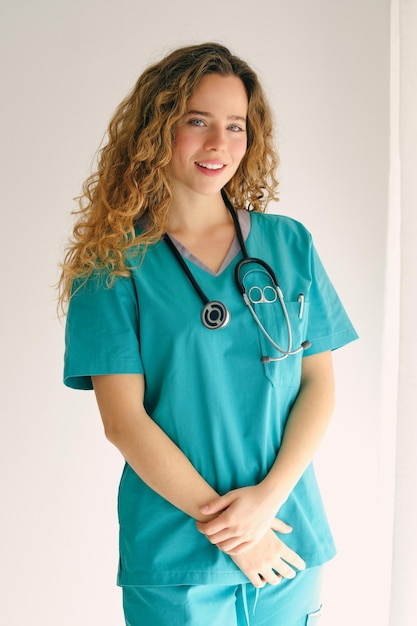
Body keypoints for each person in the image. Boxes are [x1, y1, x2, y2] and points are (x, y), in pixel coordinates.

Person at [59, 42, 358, 626]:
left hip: (289, 540)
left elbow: (318, 386)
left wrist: (267, 503)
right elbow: (124, 423)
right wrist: (241, 535)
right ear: (157, 128)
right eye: (197, 121)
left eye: (235, 125)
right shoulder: (112, 267)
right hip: (179, 557)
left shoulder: (289, 244)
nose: (219, 143)